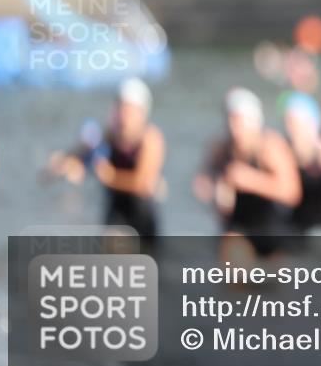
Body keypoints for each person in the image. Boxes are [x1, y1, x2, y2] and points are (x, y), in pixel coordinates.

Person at [46, 78, 165, 242]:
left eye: (129, 111)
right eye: (120, 109)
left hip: (141, 214)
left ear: (141, 114)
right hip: (115, 210)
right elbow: (76, 155)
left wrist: (111, 177)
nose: (123, 117)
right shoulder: (109, 135)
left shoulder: (150, 139)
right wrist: (62, 165)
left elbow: (141, 184)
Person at [193, 87, 301, 261]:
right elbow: (202, 181)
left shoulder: (269, 147)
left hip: (271, 229)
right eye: (231, 121)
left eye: (239, 122)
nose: (235, 129)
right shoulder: (220, 149)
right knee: (231, 256)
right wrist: (213, 190)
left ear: (253, 122)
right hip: (238, 228)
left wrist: (250, 180)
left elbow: (291, 192)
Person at [282, 91, 321, 234]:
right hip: (295, 230)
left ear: (311, 124)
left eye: (294, 124)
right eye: (287, 123)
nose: (290, 130)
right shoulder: (285, 153)